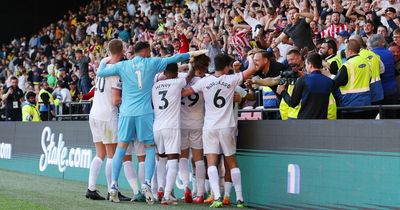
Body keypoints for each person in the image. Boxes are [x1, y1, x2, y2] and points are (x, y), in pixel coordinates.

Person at [96, 41, 206, 204]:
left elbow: (101, 72)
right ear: (146, 51)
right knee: (149, 148)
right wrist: (191, 54)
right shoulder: (153, 62)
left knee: (121, 148)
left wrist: (104, 60)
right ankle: (147, 183)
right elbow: (174, 59)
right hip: (145, 113)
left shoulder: (123, 65)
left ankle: (113, 186)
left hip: (126, 113)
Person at [181, 53, 257, 208]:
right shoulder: (232, 79)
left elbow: (185, 92)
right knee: (231, 162)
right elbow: (253, 68)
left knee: (211, 163)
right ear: (226, 67)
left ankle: (216, 197)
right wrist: (250, 56)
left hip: (209, 127)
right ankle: (240, 199)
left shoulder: (205, 81)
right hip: (227, 126)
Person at [85, 39, 135, 202]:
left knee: (100, 153)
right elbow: (115, 100)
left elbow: (109, 57)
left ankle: (91, 188)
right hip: (107, 115)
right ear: (122, 51)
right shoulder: (115, 71)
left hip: (94, 114)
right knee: (112, 155)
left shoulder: (104, 63)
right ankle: (112, 190)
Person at [152, 63, 195, 205]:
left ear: (164, 72)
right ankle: (166, 195)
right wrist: (191, 65)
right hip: (171, 127)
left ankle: (160, 189)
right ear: (176, 73)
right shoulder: (177, 82)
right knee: (173, 160)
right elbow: (190, 76)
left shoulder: (155, 86)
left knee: (161, 159)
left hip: (157, 127)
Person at [179, 54, 210, 204]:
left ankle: (186, 187)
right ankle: (200, 192)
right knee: (198, 159)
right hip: (199, 123)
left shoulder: (181, 79)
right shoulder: (207, 80)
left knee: (183, 157)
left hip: (182, 123)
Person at [277, 53, 334, 119]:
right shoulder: (329, 82)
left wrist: (282, 92)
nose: (305, 67)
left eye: (306, 64)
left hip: (305, 121)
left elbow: (293, 103)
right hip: (321, 121)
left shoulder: (302, 80)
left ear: (310, 65)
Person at [327, 39, 372, 119]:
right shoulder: (366, 62)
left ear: (350, 51)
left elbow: (335, 83)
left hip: (350, 105)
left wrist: (329, 75)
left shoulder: (347, 65)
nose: (345, 52)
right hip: (366, 103)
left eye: (345, 50)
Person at [369, 34, 398, 118]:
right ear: (382, 42)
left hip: (378, 92)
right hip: (392, 90)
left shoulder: (371, 55)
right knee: (392, 116)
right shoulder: (389, 53)